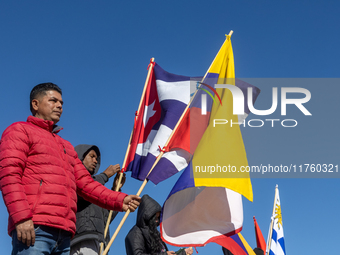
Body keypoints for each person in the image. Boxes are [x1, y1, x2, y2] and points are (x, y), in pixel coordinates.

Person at [0, 82, 140, 255]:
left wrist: (119, 200)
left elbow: (87, 184)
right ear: (35, 104)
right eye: (53, 100)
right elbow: (9, 175)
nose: (59, 106)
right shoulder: (19, 131)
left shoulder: (65, 146)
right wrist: (21, 217)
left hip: (65, 235)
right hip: (35, 230)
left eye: (61, 103)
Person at [70, 144, 126, 255]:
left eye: (96, 158)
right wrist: (105, 175)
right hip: (83, 239)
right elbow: (83, 189)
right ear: (80, 157)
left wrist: (116, 189)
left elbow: (106, 217)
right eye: (92, 156)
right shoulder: (73, 179)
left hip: (98, 241)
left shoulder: (97, 188)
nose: (95, 161)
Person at [125, 194, 193, 255]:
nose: (157, 221)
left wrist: (182, 253)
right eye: (155, 218)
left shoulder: (154, 234)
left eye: (158, 218)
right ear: (148, 217)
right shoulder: (135, 233)